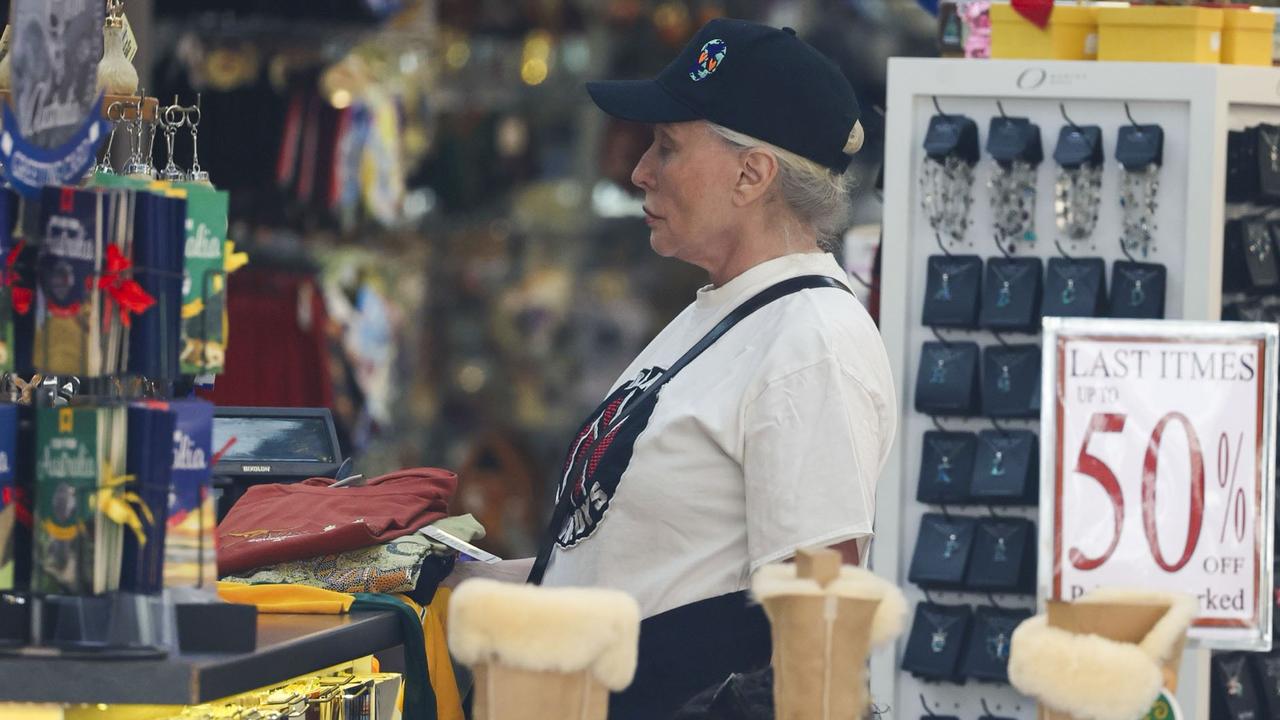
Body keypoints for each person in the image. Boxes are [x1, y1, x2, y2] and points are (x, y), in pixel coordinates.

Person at [448, 17, 896, 719]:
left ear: (753, 174)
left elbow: (820, 645)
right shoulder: (729, 312)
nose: (639, 170)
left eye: (668, 146)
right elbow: (647, 570)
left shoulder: (811, 345)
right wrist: (444, 573)